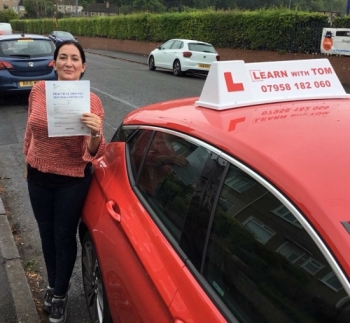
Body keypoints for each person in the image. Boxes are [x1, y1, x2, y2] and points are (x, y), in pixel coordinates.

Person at [23, 40, 106, 323]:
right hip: (38, 176)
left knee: (63, 236)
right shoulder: (38, 91)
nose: (68, 62)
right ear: (54, 63)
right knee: (46, 235)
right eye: (62, 57)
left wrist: (95, 134)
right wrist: (27, 161)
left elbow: (93, 152)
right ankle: (52, 283)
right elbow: (30, 132)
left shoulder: (92, 101)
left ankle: (60, 295)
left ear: (83, 66)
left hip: (72, 179)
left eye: (74, 58)